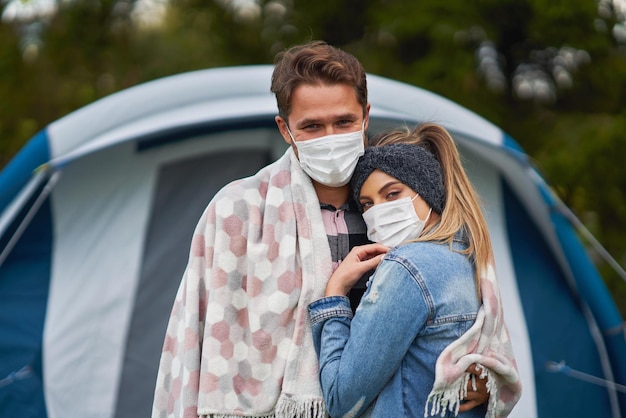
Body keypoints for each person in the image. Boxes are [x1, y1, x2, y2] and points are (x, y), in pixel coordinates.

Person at [151, 41, 494, 418]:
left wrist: (479, 375)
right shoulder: (238, 211)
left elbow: (469, 311)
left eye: (343, 122)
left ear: (365, 116)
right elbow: (195, 339)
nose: (331, 137)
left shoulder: (397, 206)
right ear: (285, 129)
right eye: (312, 126)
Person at [308, 123, 522, 418]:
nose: (378, 212)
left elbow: (341, 399)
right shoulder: (467, 256)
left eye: (392, 194)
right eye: (367, 204)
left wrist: (334, 296)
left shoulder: (407, 268)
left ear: (428, 191)